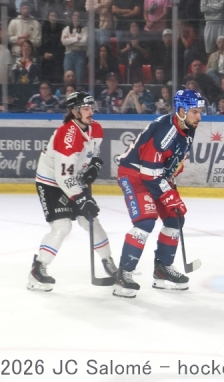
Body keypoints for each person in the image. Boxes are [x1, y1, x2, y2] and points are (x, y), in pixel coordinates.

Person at [113, 90, 205, 298]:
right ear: (181, 111)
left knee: (175, 218)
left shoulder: (188, 126)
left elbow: (168, 162)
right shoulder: (166, 131)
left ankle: (162, 270)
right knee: (146, 221)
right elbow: (148, 174)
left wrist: (172, 174)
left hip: (154, 174)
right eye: (194, 112)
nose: (199, 116)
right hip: (134, 174)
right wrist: (169, 195)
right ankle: (123, 274)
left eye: (200, 112)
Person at [29, 92, 118, 292]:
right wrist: (80, 198)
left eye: (91, 107)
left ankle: (108, 262)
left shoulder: (96, 128)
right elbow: (62, 176)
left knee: (90, 220)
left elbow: (92, 153)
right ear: (74, 111)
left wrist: (94, 163)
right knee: (62, 227)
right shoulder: (67, 135)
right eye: (85, 108)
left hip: (73, 179)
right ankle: (38, 268)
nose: (90, 112)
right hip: (51, 182)